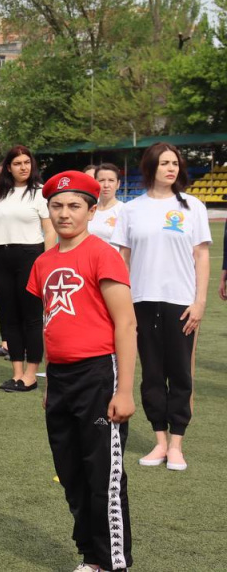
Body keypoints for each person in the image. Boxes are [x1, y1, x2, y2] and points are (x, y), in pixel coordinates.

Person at [29, 171, 136, 572]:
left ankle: (113, 563)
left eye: (74, 206)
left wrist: (124, 390)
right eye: (57, 206)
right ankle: (91, 557)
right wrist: (49, 379)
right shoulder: (42, 262)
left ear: (92, 211)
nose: (64, 213)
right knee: (70, 471)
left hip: (98, 373)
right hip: (60, 379)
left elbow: (125, 323)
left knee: (103, 476)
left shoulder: (102, 254)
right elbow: (51, 321)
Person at [111, 143, 211, 472]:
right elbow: (122, 258)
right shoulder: (131, 210)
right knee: (152, 374)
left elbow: (201, 256)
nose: (171, 168)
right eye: (164, 163)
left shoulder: (192, 207)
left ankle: (178, 444)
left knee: (180, 373)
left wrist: (199, 302)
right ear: (150, 166)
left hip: (181, 302)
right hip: (141, 301)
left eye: (175, 163)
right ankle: (160, 442)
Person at [0, 145, 55, 392]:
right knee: (8, 317)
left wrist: (49, 262)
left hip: (31, 257)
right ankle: (17, 373)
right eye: (17, 163)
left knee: (31, 318)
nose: (23, 167)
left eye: (27, 162)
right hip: (1, 258)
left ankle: (31, 375)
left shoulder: (40, 193)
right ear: (8, 168)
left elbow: (50, 231)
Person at [87, 164, 124, 245]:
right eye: (101, 180)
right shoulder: (88, 210)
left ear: (118, 184)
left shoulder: (124, 210)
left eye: (111, 180)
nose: (106, 185)